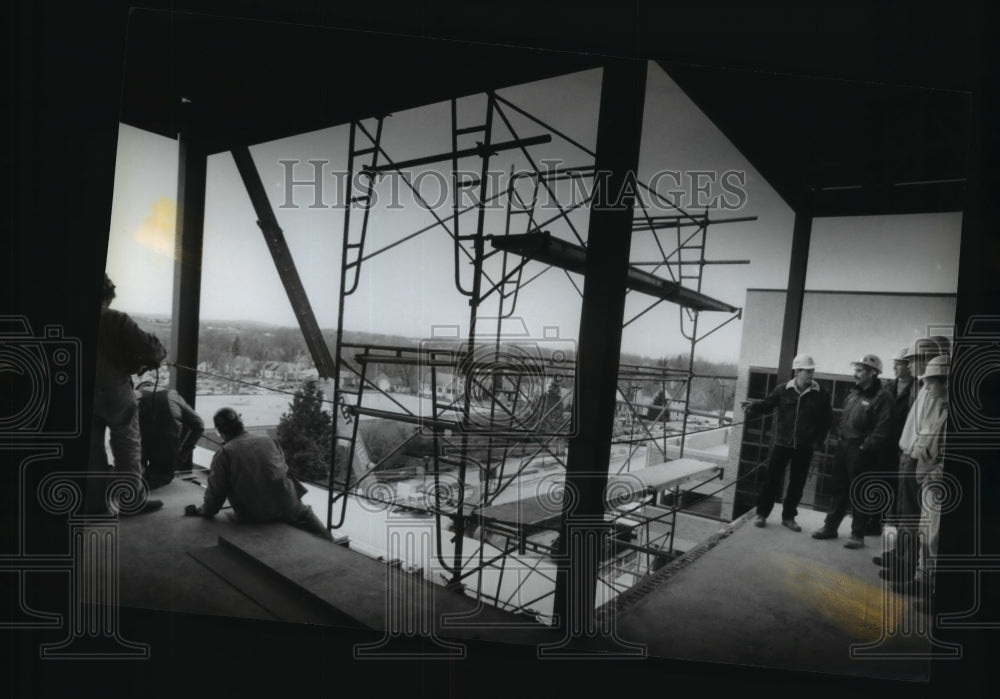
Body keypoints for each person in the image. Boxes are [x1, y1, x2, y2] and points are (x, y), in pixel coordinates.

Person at [184, 408, 333, 541]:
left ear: (220, 432)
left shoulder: (224, 454)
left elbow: (215, 496)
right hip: (289, 504)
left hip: (254, 514)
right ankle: (331, 542)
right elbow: (281, 469)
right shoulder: (269, 440)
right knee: (318, 529)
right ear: (242, 424)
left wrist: (202, 511)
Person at [88, 273, 167, 515]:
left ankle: (95, 504)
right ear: (108, 295)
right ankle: (131, 501)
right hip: (115, 391)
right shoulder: (116, 319)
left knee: (91, 449)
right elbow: (153, 351)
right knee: (127, 446)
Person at [876, 336, 951, 584]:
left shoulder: (934, 390)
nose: (910, 365)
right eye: (908, 361)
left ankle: (906, 569)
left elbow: (929, 431)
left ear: (926, 359)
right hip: (907, 454)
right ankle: (900, 558)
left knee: (911, 516)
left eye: (914, 360)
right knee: (902, 512)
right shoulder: (925, 386)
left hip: (915, 458)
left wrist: (915, 457)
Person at [812, 354, 893, 549]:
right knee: (838, 489)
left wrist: (865, 447)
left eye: (859, 370)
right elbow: (844, 419)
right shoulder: (854, 394)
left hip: (862, 452)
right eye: (855, 369)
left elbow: (883, 430)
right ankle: (830, 527)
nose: (854, 374)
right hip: (843, 448)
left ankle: (857, 535)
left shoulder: (883, 398)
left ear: (872, 373)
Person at [743, 353, 833, 532]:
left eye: (812, 371)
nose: (811, 374)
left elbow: (827, 420)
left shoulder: (820, 394)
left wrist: (817, 441)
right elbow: (768, 404)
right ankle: (762, 514)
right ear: (797, 371)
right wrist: (752, 406)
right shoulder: (782, 390)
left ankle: (789, 517)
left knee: (797, 484)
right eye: (807, 371)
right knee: (771, 480)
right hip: (782, 444)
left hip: (804, 447)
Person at [904, 355, 949, 600]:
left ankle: (933, 593)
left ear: (947, 382)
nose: (928, 386)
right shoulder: (942, 409)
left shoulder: (952, 415)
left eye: (932, 381)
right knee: (925, 535)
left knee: (935, 540)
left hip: (939, 486)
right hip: (929, 483)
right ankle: (921, 582)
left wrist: (932, 475)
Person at [135, 380, 205, 489]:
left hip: (138, 450)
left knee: (133, 476)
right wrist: (184, 451)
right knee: (162, 478)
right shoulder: (173, 395)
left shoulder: (134, 395)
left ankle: (134, 486)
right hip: (167, 450)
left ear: (140, 388)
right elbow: (199, 425)